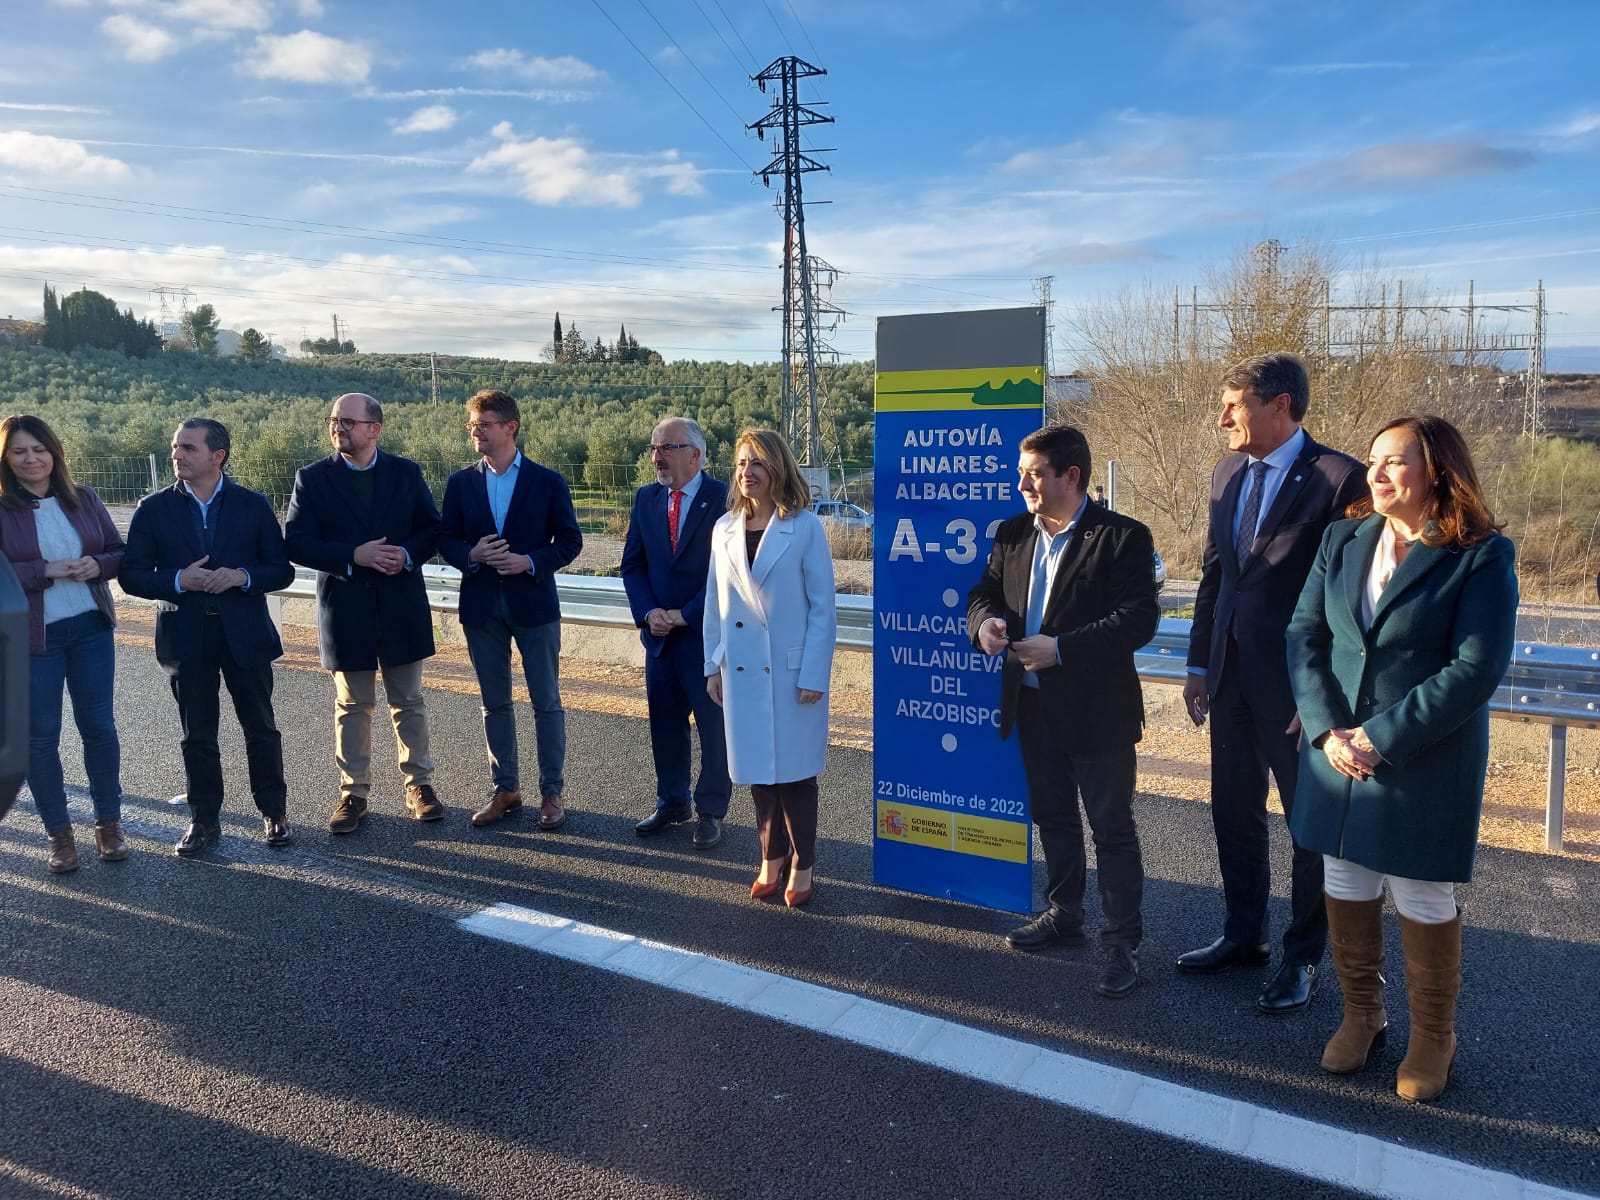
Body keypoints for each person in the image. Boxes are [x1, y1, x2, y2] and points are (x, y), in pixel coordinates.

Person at [1287, 415, 1516, 1102]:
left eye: (1394, 461)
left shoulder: (1478, 554)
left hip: (1422, 756)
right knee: (1346, 877)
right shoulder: (1342, 537)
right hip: (1337, 754)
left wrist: (1379, 737)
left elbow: (1474, 670)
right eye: (1373, 460)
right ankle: (1363, 1016)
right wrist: (1330, 730)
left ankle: (1432, 1036)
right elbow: (1304, 635)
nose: (1375, 473)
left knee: (1420, 890)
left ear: (1436, 472)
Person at [1179, 352, 1368, 1014]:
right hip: (1229, 678)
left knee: (1309, 826)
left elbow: (1356, 601)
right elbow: (1214, 574)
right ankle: (1243, 936)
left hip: (1298, 694)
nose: (1222, 416)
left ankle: (1303, 958)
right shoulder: (1226, 472)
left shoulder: (1341, 479)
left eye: (1234, 403)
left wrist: (1327, 695)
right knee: (1232, 810)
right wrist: (1199, 664)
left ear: (1279, 405)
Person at [968, 423, 1160, 998]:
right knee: (1052, 817)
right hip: (1031, 707)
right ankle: (1064, 912)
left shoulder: (1122, 537)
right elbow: (983, 593)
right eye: (1022, 471)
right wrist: (987, 626)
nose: (1021, 482)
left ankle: (1120, 944)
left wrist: (1063, 650)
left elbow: (1138, 620)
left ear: (1070, 476)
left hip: (1099, 714)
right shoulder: (1012, 533)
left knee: (1112, 829)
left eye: (1033, 473)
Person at [120, 418, 296, 856]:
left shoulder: (252, 505)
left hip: (245, 636)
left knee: (260, 728)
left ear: (217, 456)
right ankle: (203, 820)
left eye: (188, 448)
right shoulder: (153, 508)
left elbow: (282, 569)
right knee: (196, 734)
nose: (177, 454)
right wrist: (181, 579)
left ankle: (274, 811)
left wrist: (242, 575)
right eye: (175, 446)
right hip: (186, 638)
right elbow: (131, 575)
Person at [285, 392, 445, 834]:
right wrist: (353, 555)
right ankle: (353, 793)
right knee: (353, 704)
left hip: (400, 604)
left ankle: (420, 786)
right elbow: (296, 541)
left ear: (374, 428)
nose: (339, 427)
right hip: (346, 606)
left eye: (349, 421)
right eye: (334, 420)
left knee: (409, 701)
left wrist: (407, 555)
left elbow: (432, 528)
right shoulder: (312, 478)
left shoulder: (406, 473)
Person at [704, 428, 835, 907]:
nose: (747, 472)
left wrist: (814, 674)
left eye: (757, 462)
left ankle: (804, 861)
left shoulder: (804, 527)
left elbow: (823, 607)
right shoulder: (724, 528)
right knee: (760, 772)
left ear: (777, 468)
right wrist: (712, 662)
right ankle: (770, 857)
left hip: (791, 672)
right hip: (740, 669)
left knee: (795, 775)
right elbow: (714, 604)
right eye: (741, 463)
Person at [439, 389, 582, 831]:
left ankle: (551, 793)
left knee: (546, 702)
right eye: (472, 426)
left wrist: (530, 561)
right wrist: (472, 554)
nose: (476, 432)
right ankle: (505, 789)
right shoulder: (460, 482)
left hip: (533, 603)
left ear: (510, 427)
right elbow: (445, 541)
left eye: (483, 424)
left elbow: (570, 541)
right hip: (481, 606)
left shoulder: (547, 481)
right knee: (493, 702)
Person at [0, 415, 126, 873]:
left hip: (90, 629)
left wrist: (98, 564)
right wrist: (43, 571)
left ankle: (109, 825)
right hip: (35, 639)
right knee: (40, 738)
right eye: (19, 451)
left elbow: (118, 551)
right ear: (6, 460)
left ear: (55, 452)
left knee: (99, 727)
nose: (31, 459)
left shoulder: (85, 499)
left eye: (39, 449)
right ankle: (60, 835)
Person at [622, 416, 732, 849]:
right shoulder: (646, 499)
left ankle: (710, 811)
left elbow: (729, 573)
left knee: (713, 728)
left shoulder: (724, 498)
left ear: (695, 454)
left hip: (706, 635)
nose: (657, 457)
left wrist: (684, 614)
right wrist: (649, 612)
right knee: (665, 724)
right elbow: (632, 564)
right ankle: (672, 801)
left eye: (666, 448)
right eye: (654, 448)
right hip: (660, 637)